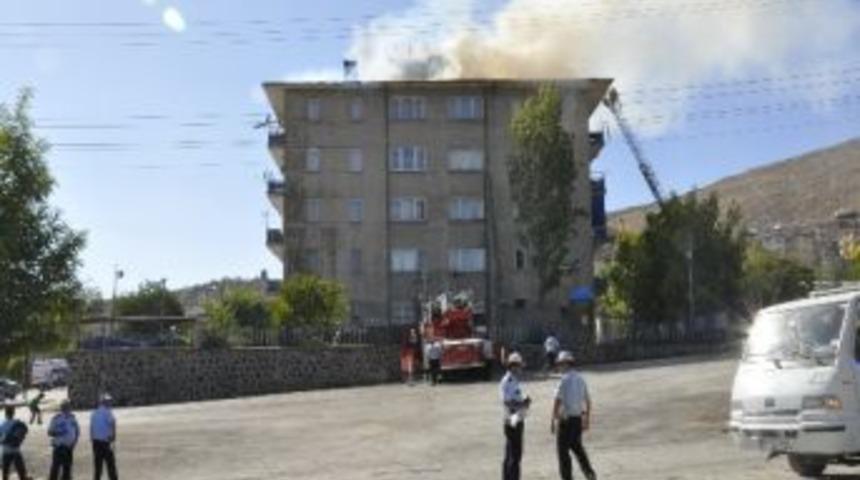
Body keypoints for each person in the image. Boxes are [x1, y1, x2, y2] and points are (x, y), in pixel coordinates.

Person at [550, 351, 596, 480]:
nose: (559, 366)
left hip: (565, 421)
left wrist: (553, 419)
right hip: (577, 420)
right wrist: (587, 419)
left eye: (560, 364)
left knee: (563, 453)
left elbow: (557, 400)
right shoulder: (581, 379)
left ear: (566, 364)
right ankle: (589, 473)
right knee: (577, 448)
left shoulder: (563, 380)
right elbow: (588, 401)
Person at [500, 352, 530, 480]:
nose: (520, 369)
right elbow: (507, 402)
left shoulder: (513, 379)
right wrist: (523, 404)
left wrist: (523, 401)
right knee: (515, 455)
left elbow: (514, 398)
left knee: (510, 453)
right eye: (519, 366)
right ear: (513, 366)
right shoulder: (508, 380)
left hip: (515, 418)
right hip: (513, 419)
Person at [47, 399, 79, 480]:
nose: (68, 408)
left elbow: (77, 431)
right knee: (55, 468)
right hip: (59, 447)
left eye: (68, 407)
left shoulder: (72, 418)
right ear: (62, 408)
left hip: (69, 448)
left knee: (67, 469)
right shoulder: (56, 418)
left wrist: (74, 443)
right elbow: (50, 432)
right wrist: (59, 432)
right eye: (65, 407)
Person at [90, 394, 118, 480]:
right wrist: (113, 436)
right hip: (106, 442)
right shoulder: (108, 412)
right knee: (111, 466)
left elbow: (91, 428)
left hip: (96, 442)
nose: (110, 403)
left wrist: (92, 439)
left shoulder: (94, 413)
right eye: (108, 401)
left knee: (98, 467)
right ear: (104, 402)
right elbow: (112, 423)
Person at [1, 406, 30, 480]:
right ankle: (23, 478)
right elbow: (25, 431)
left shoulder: (2, 424)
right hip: (15, 449)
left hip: (5, 450)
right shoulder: (18, 423)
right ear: (13, 413)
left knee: (5, 469)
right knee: (20, 468)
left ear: (5, 414)